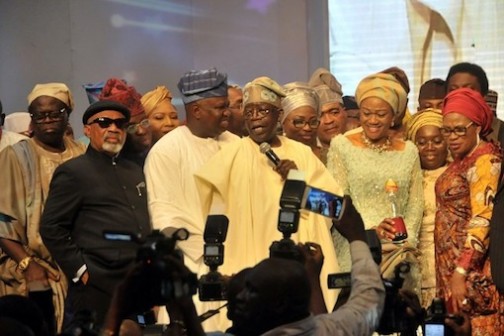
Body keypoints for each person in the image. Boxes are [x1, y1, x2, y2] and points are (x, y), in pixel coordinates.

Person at [194, 76, 342, 314]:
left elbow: (333, 208)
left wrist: (299, 182)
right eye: (249, 111)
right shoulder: (228, 156)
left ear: (279, 114)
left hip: (295, 266)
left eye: (263, 110)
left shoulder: (302, 155)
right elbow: (210, 216)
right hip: (247, 265)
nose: (255, 118)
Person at [39, 100, 152, 327]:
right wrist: (81, 270)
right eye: (104, 122)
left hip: (135, 285)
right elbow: (51, 227)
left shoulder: (134, 170)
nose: (113, 128)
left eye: (120, 124)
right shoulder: (73, 171)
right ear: (88, 130)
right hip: (95, 288)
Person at [144, 67, 238, 327]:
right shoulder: (166, 151)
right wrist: (211, 254)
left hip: (240, 261)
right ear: (196, 111)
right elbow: (165, 216)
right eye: (220, 107)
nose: (227, 112)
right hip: (195, 266)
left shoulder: (237, 145)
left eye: (227, 106)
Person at [0, 83, 86, 332]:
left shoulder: (81, 153)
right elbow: (3, 222)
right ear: (32, 118)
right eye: (39, 115)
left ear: (67, 114)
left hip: (79, 267)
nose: (47, 119)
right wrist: (28, 265)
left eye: (54, 113)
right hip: (36, 270)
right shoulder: (15, 156)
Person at [327, 72, 424, 279]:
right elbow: (338, 202)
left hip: (399, 251)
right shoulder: (341, 146)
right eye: (366, 113)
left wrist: (406, 243)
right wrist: (370, 233)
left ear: (394, 116)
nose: (372, 120)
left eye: (380, 114)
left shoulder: (409, 151)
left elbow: (415, 203)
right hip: (355, 243)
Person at [434, 87, 503, 333]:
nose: (452, 137)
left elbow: (482, 219)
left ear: (477, 126)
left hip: (472, 270)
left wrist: (461, 270)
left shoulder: (485, 160)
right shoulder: (462, 158)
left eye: (459, 129)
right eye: (447, 130)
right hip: (451, 267)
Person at [405, 110, 448, 308]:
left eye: (437, 141)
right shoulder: (406, 178)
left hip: (449, 266)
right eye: (422, 142)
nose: (429, 148)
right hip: (414, 265)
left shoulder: (458, 175)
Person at [445, 62, 504, 150]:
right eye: (453, 90)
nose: (460, 95)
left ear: (483, 95)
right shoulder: (439, 128)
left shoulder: (500, 131)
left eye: (468, 90)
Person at [99, 78, 152, 167]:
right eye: (131, 127)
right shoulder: (115, 168)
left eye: (144, 122)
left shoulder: (160, 154)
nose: (141, 131)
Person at [308, 68, 347, 164]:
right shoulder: (307, 154)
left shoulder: (360, 147)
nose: (328, 120)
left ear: (345, 113)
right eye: (320, 115)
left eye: (334, 112)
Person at [280, 82, 322, 158]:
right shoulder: (276, 157)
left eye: (313, 122)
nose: (307, 128)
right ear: (283, 122)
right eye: (299, 122)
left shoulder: (330, 156)